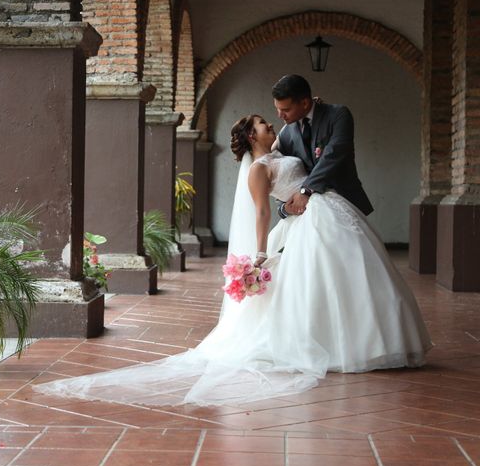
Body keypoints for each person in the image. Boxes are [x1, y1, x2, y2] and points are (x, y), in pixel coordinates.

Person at [33, 113, 431, 407]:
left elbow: (314, 165)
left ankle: (363, 340)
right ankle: (336, 346)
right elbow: (261, 211)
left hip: (326, 213)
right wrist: (260, 253)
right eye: (262, 123)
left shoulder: (286, 146)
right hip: (302, 223)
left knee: (347, 279)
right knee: (316, 283)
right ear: (249, 135)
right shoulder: (258, 169)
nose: (271, 125)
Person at [270, 74, 373, 221]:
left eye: (285, 109)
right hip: (308, 214)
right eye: (277, 109)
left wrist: (306, 190)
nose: (280, 115)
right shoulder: (285, 134)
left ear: (305, 103)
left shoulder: (338, 115)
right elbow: (282, 173)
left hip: (346, 202)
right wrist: (283, 208)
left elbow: (334, 154)